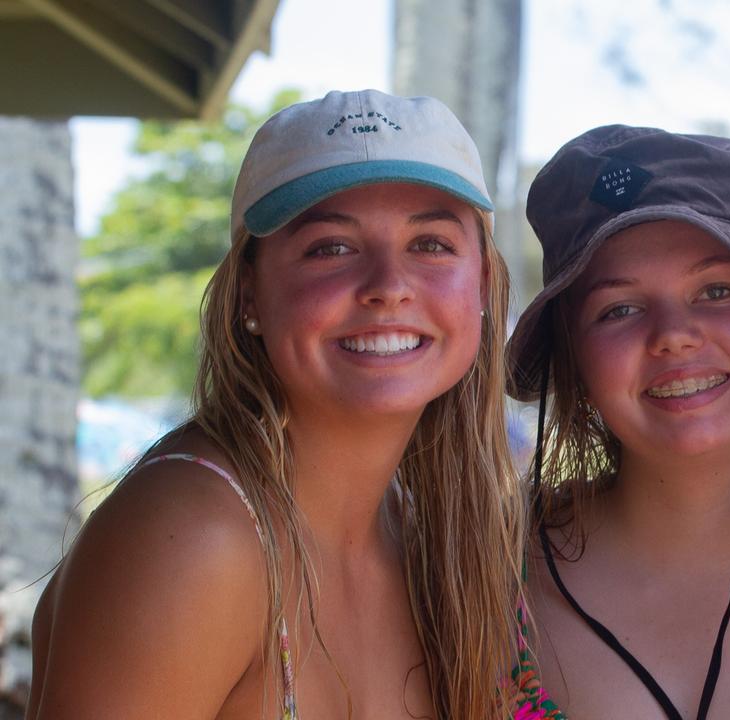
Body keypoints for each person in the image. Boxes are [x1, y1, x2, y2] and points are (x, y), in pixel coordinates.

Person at [29, 90, 527, 719]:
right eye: (330, 248)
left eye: (429, 244)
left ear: (482, 284)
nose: (389, 287)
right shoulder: (194, 538)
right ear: (248, 296)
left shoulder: (421, 529)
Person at [505, 125, 730, 719]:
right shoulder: (477, 583)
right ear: (574, 361)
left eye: (718, 290)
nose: (673, 335)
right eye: (618, 309)